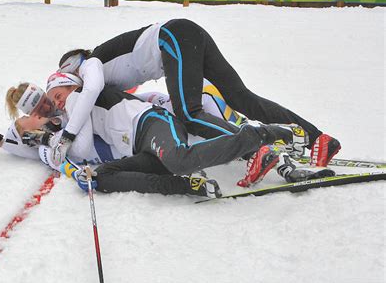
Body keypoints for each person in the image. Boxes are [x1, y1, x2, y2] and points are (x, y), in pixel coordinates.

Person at [55, 19, 340, 168]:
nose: (73, 83)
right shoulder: (106, 74)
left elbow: (90, 90)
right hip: (182, 35)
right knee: (242, 99)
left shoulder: (93, 64)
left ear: (77, 64)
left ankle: (257, 147)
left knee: (189, 113)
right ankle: (317, 138)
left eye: (70, 74)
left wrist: (67, 133)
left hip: (174, 39)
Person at [44, 73, 310, 191]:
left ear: (70, 86)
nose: (58, 102)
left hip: (150, 123)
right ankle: (186, 186)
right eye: (54, 101)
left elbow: (80, 146)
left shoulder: (78, 97)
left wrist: (60, 137)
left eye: (57, 94)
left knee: (178, 158)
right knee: (101, 176)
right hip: (139, 145)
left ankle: (260, 135)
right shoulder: (72, 112)